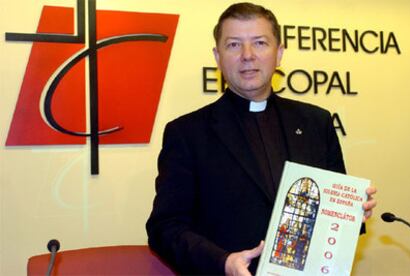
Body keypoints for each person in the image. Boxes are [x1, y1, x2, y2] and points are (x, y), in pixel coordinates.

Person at [146, 2, 377, 275]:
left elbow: (331, 216)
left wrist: (350, 214)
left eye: (259, 43)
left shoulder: (317, 123)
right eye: (233, 45)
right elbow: (165, 228)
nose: (247, 55)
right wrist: (223, 262)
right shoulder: (187, 133)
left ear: (278, 54)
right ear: (217, 56)